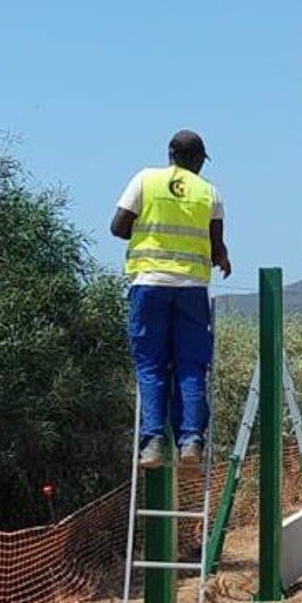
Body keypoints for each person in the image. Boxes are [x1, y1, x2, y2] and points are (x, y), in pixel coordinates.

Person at [110, 129, 232, 468]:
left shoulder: (145, 180)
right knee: (191, 366)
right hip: (191, 289)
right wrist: (223, 258)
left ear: (170, 154)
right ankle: (191, 440)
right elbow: (216, 247)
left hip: (149, 284)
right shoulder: (209, 193)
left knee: (151, 365)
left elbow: (118, 227)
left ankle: (152, 446)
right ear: (197, 160)